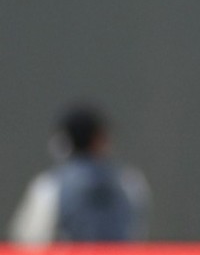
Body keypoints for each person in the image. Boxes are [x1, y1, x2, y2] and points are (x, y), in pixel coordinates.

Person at [9, 103, 153, 246]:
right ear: (99, 139)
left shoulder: (49, 185)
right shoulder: (130, 181)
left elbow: (29, 241)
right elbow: (137, 235)